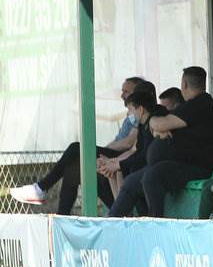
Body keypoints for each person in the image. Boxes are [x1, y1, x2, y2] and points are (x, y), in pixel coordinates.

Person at [11, 76, 147, 213]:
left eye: (126, 91)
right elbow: (119, 142)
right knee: (74, 168)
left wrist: (99, 151)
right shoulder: (130, 113)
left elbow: (129, 143)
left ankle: (41, 188)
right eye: (122, 91)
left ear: (137, 93)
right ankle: (62, 214)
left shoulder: (139, 112)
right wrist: (101, 152)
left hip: (125, 162)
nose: (122, 94)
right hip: (116, 160)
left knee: (76, 148)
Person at [110, 66, 213, 218]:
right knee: (131, 182)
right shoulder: (191, 105)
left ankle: (156, 225)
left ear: (184, 84)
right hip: (181, 162)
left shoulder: (201, 102)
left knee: (152, 176)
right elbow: (167, 124)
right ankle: (113, 223)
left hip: (196, 166)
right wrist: (161, 127)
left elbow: (162, 124)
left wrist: (156, 125)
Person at [101, 89, 167, 215]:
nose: (129, 114)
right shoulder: (143, 125)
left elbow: (144, 155)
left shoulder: (154, 121)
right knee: (127, 174)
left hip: (156, 168)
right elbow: (139, 151)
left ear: (141, 109)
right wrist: (115, 162)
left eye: (131, 110)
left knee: (131, 180)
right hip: (145, 168)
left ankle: (117, 218)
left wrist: (118, 164)